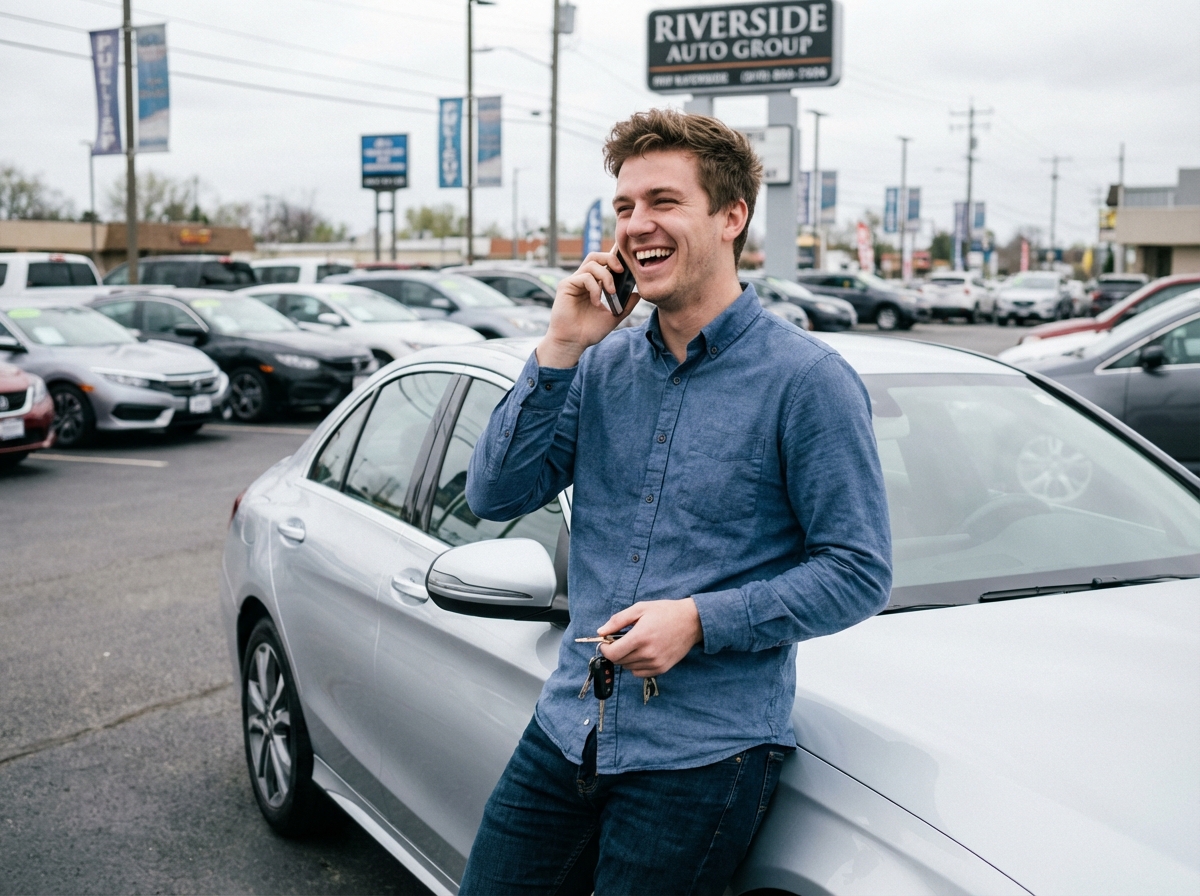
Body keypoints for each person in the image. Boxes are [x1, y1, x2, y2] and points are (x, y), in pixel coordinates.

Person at [460, 109, 892, 896]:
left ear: (731, 217)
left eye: (662, 201)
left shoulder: (807, 382)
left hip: (702, 760)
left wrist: (699, 620)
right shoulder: (599, 365)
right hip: (568, 728)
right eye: (623, 207)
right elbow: (494, 493)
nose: (635, 225)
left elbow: (859, 570)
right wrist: (559, 350)